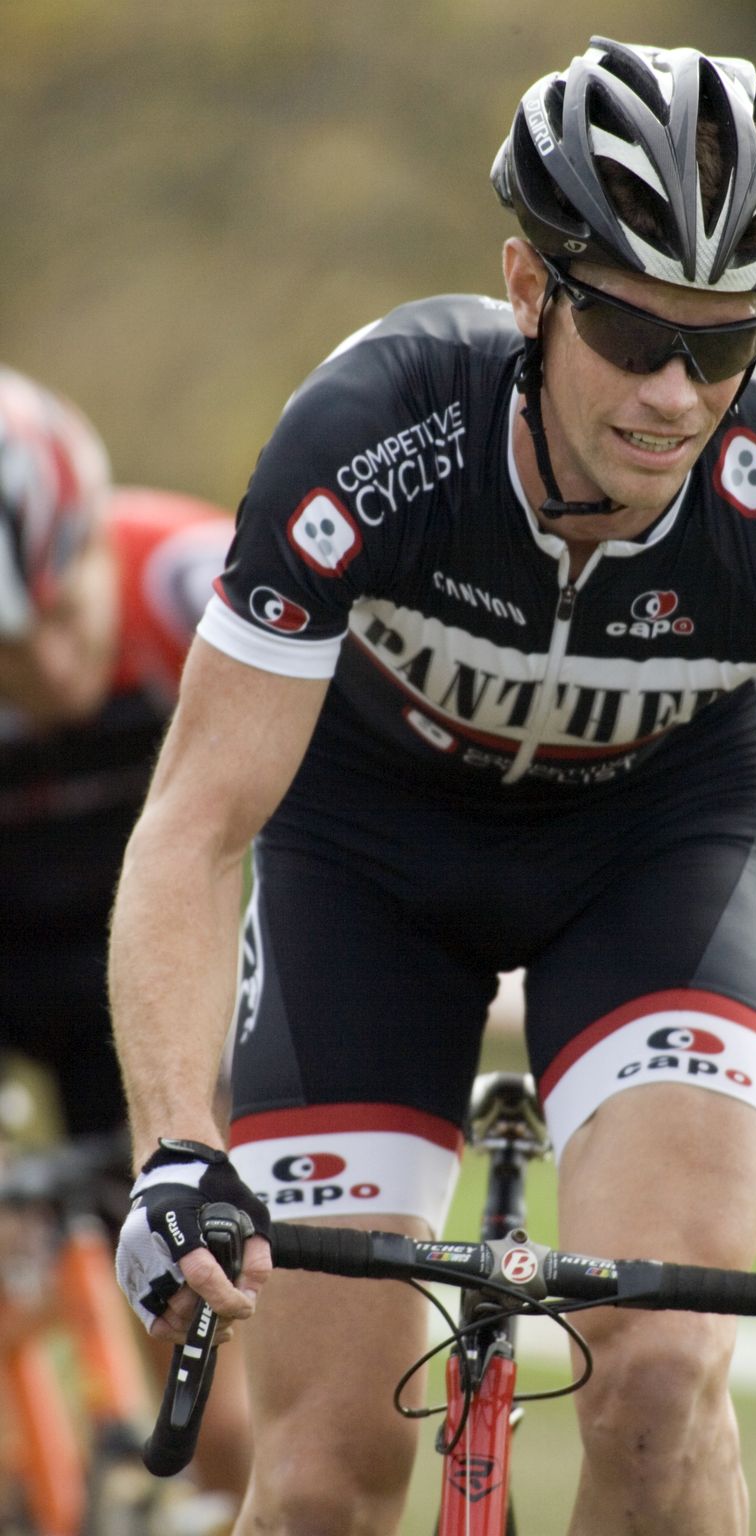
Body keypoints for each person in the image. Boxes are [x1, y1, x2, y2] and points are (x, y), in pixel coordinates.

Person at [111, 38, 756, 1536]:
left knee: (661, 1385)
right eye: (631, 332)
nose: (676, 393)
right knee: (317, 1475)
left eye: (723, 344)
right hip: (364, 859)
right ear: (527, 288)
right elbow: (195, 827)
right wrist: (180, 1149)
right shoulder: (371, 436)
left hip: (652, 858)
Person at [0, 365, 252, 1520]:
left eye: (54, 618)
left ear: (98, 541)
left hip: (146, 982)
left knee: (224, 1372)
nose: (44, 674)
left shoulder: (193, 578)